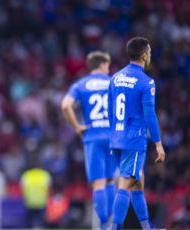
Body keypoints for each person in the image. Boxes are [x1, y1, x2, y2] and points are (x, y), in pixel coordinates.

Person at [109, 37, 166, 229]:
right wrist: (158, 143)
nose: (150, 55)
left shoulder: (115, 77)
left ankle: (147, 227)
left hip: (117, 139)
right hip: (133, 141)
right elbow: (150, 116)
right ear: (143, 55)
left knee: (137, 183)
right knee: (126, 183)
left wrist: (113, 136)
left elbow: (111, 111)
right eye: (149, 52)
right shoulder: (146, 82)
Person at [61, 51, 117, 229]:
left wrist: (77, 127)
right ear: (102, 65)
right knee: (110, 180)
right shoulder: (113, 83)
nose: (108, 69)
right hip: (113, 137)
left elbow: (65, 105)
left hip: (92, 137)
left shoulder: (81, 85)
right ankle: (111, 224)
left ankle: (102, 225)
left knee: (98, 182)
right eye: (107, 66)